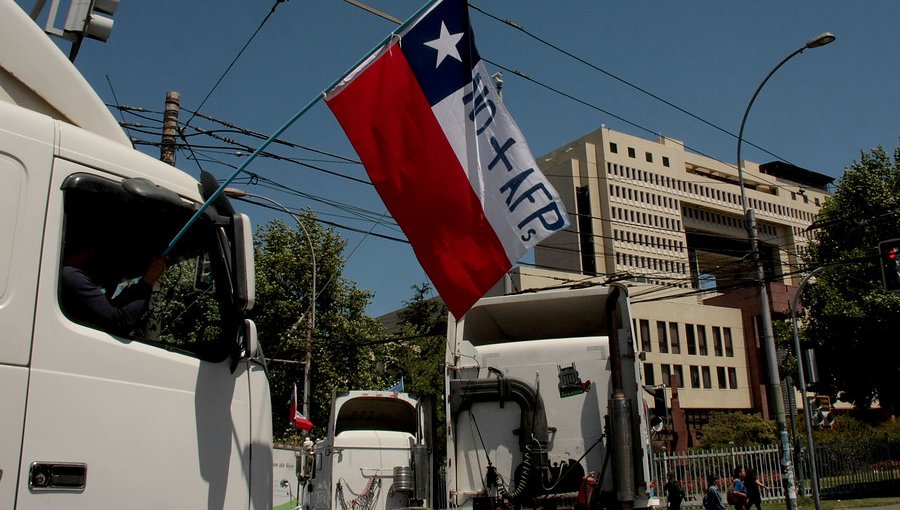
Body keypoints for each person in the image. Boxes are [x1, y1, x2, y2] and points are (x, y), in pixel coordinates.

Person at [61, 239, 167, 336]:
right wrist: (148, 280)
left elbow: (107, 309)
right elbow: (120, 320)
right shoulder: (69, 276)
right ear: (88, 250)